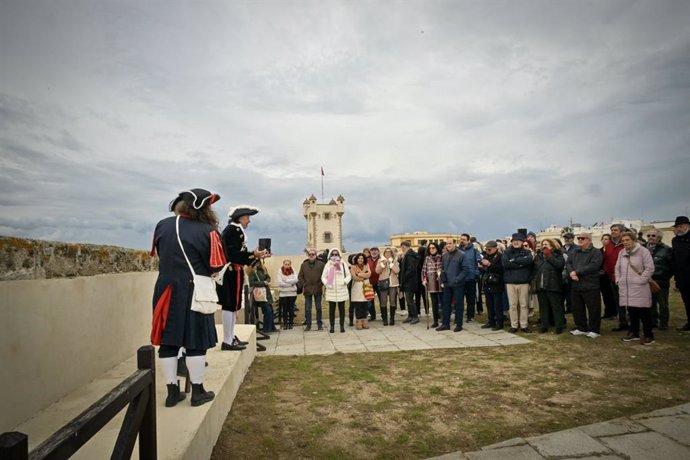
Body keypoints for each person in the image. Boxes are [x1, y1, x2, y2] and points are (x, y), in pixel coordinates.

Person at [151, 188, 225, 407]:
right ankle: (198, 391)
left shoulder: (162, 225)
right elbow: (216, 264)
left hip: (165, 289)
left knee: (168, 342)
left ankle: (172, 392)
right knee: (195, 342)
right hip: (194, 290)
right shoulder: (208, 231)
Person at [217, 205, 269, 351]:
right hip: (230, 271)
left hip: (235, 270)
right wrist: (254, 255)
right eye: (247, 218)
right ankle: (227, 340)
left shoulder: (235, 230)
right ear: (240, 218)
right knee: (229, 305)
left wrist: (256, 256)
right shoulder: (233, 230)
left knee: (233, 306)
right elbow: (233, 255)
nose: (249, 221)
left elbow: (241, 255)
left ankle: (231, 337)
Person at [616, 231, 655, 344]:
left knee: (644, 312)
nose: (625, 242)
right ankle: (634, 333)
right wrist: (619, 280)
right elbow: (617, 267)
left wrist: (641, 280)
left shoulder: (643, 251)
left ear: (633, 240)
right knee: (632, 312)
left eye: (627, 240)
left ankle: (648, 335)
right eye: (623, 241)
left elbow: (649, 268)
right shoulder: (621, 252)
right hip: (627, 287)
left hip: (640, 287)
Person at [566, 232, 603, 338]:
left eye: (583, 238)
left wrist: (577, 272)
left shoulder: (595, 252)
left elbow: (594, 266)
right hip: (576, 284)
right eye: (579, 238)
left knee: (593, 308)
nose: (580, 240)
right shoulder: (574, 252)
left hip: (590, 284)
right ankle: (581, 328)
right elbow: (568, 263)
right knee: (577, 308)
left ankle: (595, 330)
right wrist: (572, 273)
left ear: (589, 240)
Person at [502, 233, 534, 333]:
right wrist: (521, 264)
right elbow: (506, 264)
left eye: (518, 241)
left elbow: (528, 261)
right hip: (510, 282)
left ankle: (524, 325)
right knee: (512, 305)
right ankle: (514, 325)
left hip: (523, 282)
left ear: (522, 242)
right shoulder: (506, 252)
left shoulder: (527, 252)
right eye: (514, 240)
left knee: (524, 305)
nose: (516, 242)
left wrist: (514, 261)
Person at [533, 239, 566, 334]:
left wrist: (549, 256)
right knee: (543, 307)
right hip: (541, 285)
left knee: (556, 307)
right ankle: (544, 325)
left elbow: (559, 265)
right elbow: (536, 269)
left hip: (553, 285)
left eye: (546, 244)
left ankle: (559, 326)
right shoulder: (538, 256)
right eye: (543, 244)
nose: (544, 246)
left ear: (552, 246)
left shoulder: (558, 255)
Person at [438, 238, 468, 332]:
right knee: (446, 304)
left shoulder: (462, 255)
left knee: (458, 305)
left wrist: (457, 279)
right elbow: (442, 269)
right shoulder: (445, 256)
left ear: (455, 244)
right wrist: (442, 280)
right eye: (447, 244)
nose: (448, 245)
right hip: (447, 284)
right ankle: (445, 324)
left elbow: (465, 270)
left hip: (458, 284)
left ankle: (459, 324)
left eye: (450, 243)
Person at [645, 228, 672, 330]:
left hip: (661, 281)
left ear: (659, 237)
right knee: (650, 303)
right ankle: (653, 322)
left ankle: (664, 323)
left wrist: (664, 276)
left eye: (653, 235)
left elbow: (671, 266)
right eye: (648, 235)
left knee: (663, 304)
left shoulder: (667, 249)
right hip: (647, 280)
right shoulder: (643, 248)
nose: (650, 238)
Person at [603, 224, 628, 332]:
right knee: (618, 302)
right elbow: (607, 260)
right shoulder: (609, 245)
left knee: (629, 301)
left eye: (616, 230)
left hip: (627, 278)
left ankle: (633, 322)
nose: (613, 232)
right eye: (612, 230)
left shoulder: (626, 243)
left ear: (622, 232)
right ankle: (622, 322)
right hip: (613, 278)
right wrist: (608, 273)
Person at [321, 248, 351, 333]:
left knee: (342, 309)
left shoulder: (343, 264)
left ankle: (342, 326)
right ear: (330, 255)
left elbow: (348, 275)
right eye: (333, 254)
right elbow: (323, 277)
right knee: (332, 310)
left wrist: (344, 281)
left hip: (341, 289)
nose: (334, 256)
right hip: (331, 290)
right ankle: (332, 326)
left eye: (336, 254)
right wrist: (327, 284)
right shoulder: (328, 265)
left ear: (339, 255)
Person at [298, 249, 326, 331]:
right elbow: (300, 277)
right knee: (307, 308)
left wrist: (321, 284)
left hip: (318, 288)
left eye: (313, 254)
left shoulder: (321, 264)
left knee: (318, 308)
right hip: (307, 289)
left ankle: (319, 324)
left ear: (316, 255)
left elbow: (324, 276)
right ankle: (308, 325)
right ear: (308, 255)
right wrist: (304, 284)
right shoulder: (303, 265)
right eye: (310, 254)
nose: (311, 255)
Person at [480, 240, 505, 331]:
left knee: (497, 305)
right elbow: (484, 269)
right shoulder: (486, 256)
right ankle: (491, 321)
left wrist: (490, 264)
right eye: (486, 249)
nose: (488, 251)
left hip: (497, 283)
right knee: (489, 304)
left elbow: (501, 269)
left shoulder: (500, 257)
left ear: (495, 248)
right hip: (487, 283)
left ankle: (499, 322)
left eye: (489, 249)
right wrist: (482, 266)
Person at [672, 216, 690, 331]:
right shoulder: (675, 240)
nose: (679, 229)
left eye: (681, 226)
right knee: (687, 301)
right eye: (677, 227)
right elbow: (674, 259)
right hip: (682, 277)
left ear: (687, 226)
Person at [248, 259, 274, 333]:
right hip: (260, 294)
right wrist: (263, 282)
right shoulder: (252, 272)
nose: (258, 264)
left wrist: (267, 280)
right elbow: (252, 282)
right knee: (267, 311)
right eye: (257, 262)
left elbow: (268, 277)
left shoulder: (263, 269)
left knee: (270, 310)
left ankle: (271, 327)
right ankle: (266, 329)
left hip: (266, 293)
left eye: (259, 262)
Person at [459, 234, 481, 323]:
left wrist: (476, 273)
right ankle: (459, 315)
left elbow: (479, 263)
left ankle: (470, 315)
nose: (462, 241)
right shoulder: (457, 250)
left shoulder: (474, 251)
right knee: (459, 299)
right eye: (461, 239)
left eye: (464, 239)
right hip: (460, 279)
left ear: (468, 240)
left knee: (471, 299)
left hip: (471, 278)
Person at [375, 247, 399, 326]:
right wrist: (383, 264)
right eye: (386, 252)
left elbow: (397, 271)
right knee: (383, 301)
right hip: (383, 283)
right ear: (384, 253)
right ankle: (384, 319)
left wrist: (391, 264)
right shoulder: (380, 260)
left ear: (391, 253)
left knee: (392, 301)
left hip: (393, 283)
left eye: (389, 252)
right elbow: (377, 271)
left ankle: (392, 318)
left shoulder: (394, 260)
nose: (388, 253)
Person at [422, 242, 443, 328]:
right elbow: (424, 270)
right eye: (430, 248)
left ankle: (444, 319)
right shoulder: (427, 258)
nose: (431, 250)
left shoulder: (441, 257)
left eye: (433, 248)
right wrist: (424, 279)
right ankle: (435, 321)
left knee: (442, 303)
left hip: (440, 283)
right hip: (431, 284)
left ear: (437, 248)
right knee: (434, 303)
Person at [399, 240, 420, 324]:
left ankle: (415, 316)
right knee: (408, 300)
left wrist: (404, 277)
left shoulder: (409, 255)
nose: (402, 249)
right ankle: (410, 316)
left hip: (410, 281)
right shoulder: (408, 255)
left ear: (404, 247)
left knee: (410, 300)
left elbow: (411, 269)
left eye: (402, 247)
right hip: (408, 281)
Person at [351, 253, 372, 329]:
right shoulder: (353, 267)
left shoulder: (367, 266)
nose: (360, 260)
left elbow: (369, 274)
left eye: (362, 258)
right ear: (356, 259)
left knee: (365, 305)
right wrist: (364, 276)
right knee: (358, 306)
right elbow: (354, 277)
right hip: (356, 288)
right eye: (359, 258)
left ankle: (364, 320)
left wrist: (360, 274)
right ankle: (358, 321)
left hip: (365, 288)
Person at [599, 234, 617, 319]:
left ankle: (614, 312)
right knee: (605, 295)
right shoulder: (599, 251)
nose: (604, 240)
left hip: (610, 275)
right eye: (603, 239)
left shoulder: (613, 250)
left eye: (606, 239)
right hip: (602, 277)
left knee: (612, 295)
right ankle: (607, 312)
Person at [277, 259, 298, 329]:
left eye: (288, 264)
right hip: (283, 294)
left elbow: (296, 280)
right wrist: (290, 284)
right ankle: (285, 324)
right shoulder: (280, 271)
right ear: (283, 264)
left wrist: (286, 282)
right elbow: (280, 282)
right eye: (285, 264)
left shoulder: (293, 271)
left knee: (291, 309)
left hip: (292, 293)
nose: (287, 266)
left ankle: (291, 323)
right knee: (285, 309)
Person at [366, 247, 382, 321]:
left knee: (382, 300)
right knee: (370, 301)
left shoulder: (382, 259)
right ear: (370, 252)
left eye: (375, 250)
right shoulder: (367, 260)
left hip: (380, 283)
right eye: (372, 250)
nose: (374, 252)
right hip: (370, 283)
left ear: (378, 252)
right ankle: (373, 316)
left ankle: (383, 315)